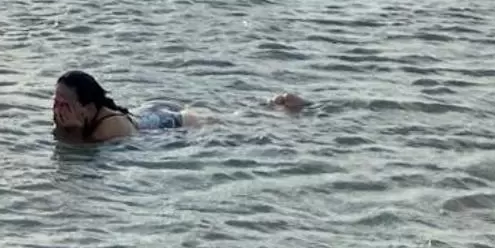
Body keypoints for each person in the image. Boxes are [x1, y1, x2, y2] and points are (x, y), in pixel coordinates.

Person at [53, 70, 307, 142]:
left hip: (177, 121)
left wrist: (73, 133)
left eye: (64, 103)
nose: (57, 108)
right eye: (55, 101)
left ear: (86, 108)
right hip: (148, 112)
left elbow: (83, 147)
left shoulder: (108, 129)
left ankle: (281, 105)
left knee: (238, 121)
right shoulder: (87, 118)